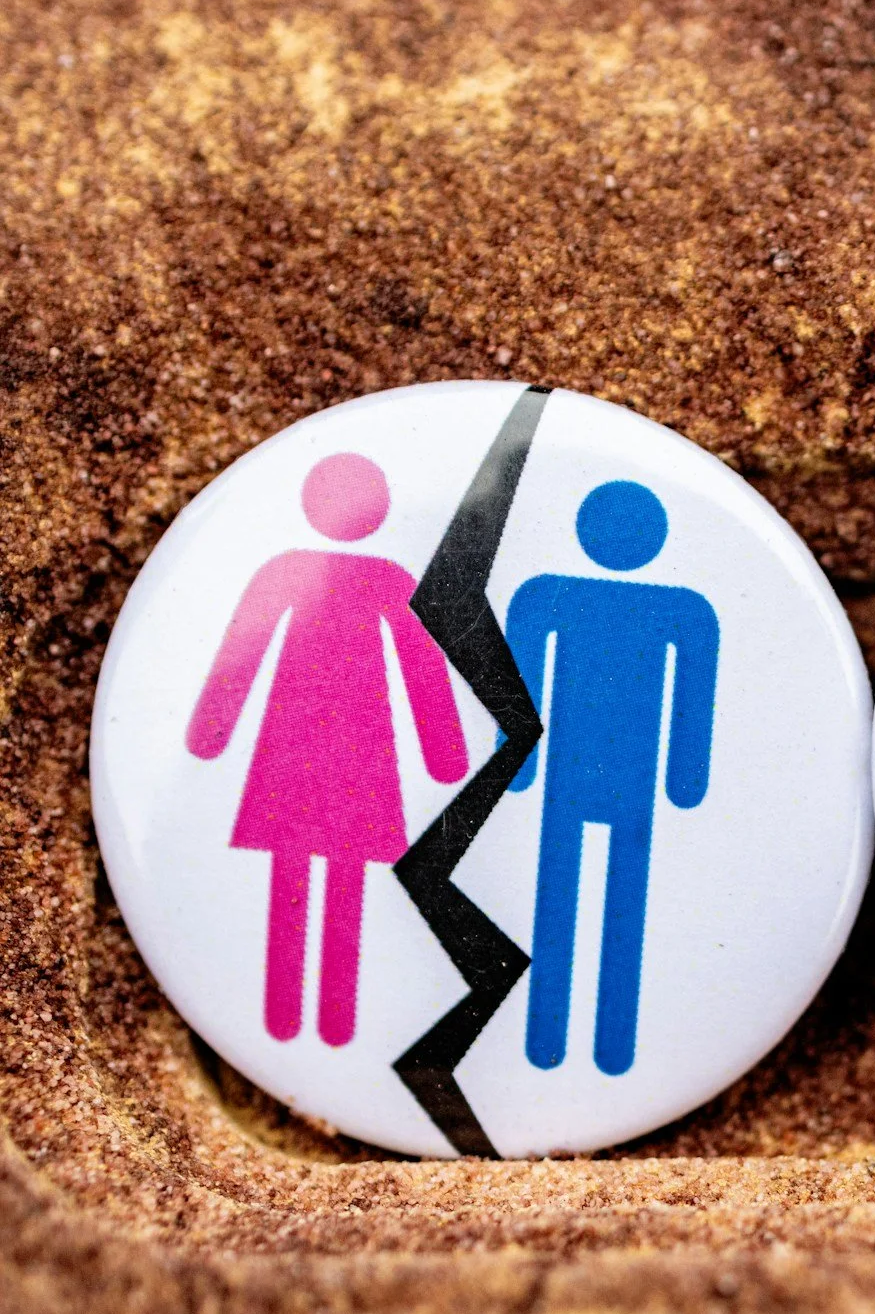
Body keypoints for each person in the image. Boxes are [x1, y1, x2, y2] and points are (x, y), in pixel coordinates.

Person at [187, 452, 470, 1046]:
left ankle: (306, 1019)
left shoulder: (306, 572)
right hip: (341, 743)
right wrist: (444, 753)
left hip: (313, 740)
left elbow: (245, 655)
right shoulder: (378, 579)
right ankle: (310, 1021)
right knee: (336, 874)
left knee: (312, 868)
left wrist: (212, 731)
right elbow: (423, 673)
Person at [507, 479, 719, 1076]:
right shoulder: (670, 608)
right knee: (580, 895)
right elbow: (521, 679)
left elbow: (694, 698)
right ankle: (574, 1045)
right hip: (596, 776)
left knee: (590, 895)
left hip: (598, 777)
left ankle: (591, 1046)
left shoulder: (675, 610)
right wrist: (685, 779)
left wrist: (686, 780)